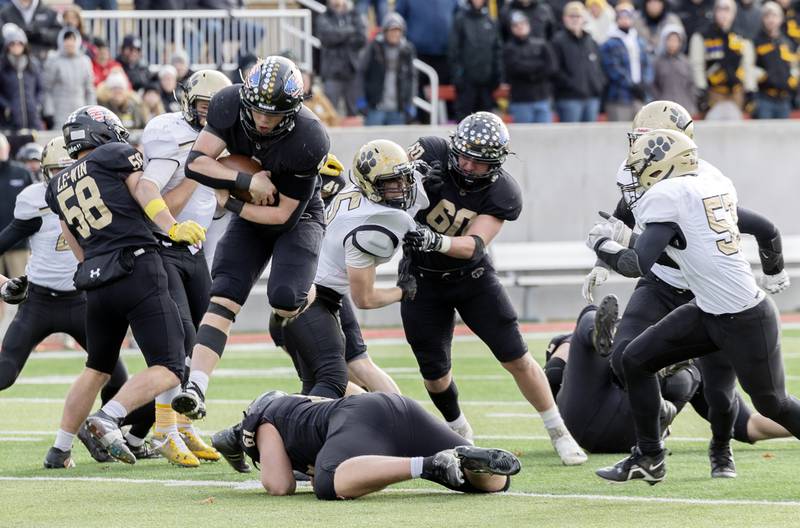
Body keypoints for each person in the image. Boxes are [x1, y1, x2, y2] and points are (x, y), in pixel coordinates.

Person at [589, 128, 800, 484]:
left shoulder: (671, 196)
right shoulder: (703, 184)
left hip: (746, 318)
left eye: (643, 170)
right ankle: (650, 456)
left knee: (772, 404)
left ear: (664, 167)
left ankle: (701, 449)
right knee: (635, 360)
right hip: (709, 309)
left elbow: (636, 264)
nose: (638, 182)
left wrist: (602, 246)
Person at [402, 112, 586, 465]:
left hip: (472, 280)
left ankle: (559, 432)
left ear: (496, 165)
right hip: (422, 280)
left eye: (479, 162)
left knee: (516, 356)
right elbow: (388, 193)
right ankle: (460, 431)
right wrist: (414, 183)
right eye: (465, 157)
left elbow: (474, 244)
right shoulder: (430, 151)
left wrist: (434, 240)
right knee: (434, 372)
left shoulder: (503, 192)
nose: (468, 167)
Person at [42, 105, 205, 468]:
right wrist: (172, 225)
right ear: (102, 133)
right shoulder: (115, 155)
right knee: (171, 366)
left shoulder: (57, 184)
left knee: (97, 367)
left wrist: (97, 268)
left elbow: (74, 243)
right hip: (137, 267)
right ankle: (108, 417)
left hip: (96, 281)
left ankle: (59, 449)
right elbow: (143, 192)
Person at [171, 56, 330, 421]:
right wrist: (245, 183)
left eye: (272, 114)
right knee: (223, 294)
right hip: (249, 207)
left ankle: (318, 304)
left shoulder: (310, 137)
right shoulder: (228, 102)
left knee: (286, 299)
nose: (261, 119)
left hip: (297, 216)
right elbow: (195, 162)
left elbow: (283, 215)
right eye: (256, 109)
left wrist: (232, 203)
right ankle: (196, 387)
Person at [0, 136, 155, 464]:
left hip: (82, 301)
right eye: (56, 172)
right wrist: (3, 283)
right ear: (44, 173)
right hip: (39, 302)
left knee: (118, 381)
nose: (62, 180)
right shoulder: (33, 200)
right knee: (5, 373)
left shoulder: (104, 193)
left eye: (68, 171)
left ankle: (98, 435)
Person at [272, 140, 424, 399]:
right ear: (371, 185)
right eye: (392, 182)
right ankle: (405, 422)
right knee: (342, 377)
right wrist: (402, 291)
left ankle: (391, 422)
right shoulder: (370, 228)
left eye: (403, 179)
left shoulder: (354, 192)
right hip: (316, 304)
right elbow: (364, 298)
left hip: (302, 304)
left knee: (330, 384)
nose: (401, 188)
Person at [545, 296, 792, 453]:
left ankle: (615, 347)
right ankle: (661, 386)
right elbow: (750, 427)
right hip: (631, 434)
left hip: (580, 422)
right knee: (687, 374)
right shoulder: (707, 357)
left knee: (589, 314)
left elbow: (553, 375)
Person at [138, 70, 232, 466]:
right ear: (188, 102)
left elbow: (218, 205)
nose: (209, 116)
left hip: (194, 251)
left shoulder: (224, 136)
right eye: (204, 107)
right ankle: (165, 429)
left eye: (217, 109)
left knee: (199, 343)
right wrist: (199, 166)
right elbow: (154, 199)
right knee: (176, 343)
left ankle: (181, 422)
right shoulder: (169, 132)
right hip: (162, 246)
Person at [212, 390, 521, 499]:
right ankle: (468, 459)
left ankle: (428, 465)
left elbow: (279, 486)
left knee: (328, 482)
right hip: (392, 407)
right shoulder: (301, 407)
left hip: (361, 420)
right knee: (493, 484)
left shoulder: (264, 419)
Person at [689, 0, 757, 119]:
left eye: (727, 10)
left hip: (737, 93)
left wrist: (750, 89)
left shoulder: (743, 37)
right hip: (713, 92)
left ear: (734, 13)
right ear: (715, 12)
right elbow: (697, 65)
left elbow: (748, 66)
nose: (723, 14)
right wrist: (701, 89)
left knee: (737, 131)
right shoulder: (702, 35)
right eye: (720, 9)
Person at [551, 1, 606, 122]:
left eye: (578, 16)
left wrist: (598, 85)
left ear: (584, 18)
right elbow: (554, 70)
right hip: (569, 99)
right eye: (571, 16)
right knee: (571, 138)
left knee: (591, 137)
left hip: (592, 97)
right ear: (564, 18)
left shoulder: (590, 40)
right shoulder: (558, 41)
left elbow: (599, 67)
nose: (575, 19)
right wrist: (572, 85)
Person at [448, 0, 503, 120]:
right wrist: (459, 76)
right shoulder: (461, 19)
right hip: (466, 83)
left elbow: (497, 50)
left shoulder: (490, 20)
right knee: (464, 119)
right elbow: (454, 50)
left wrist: (496, 76)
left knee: (486, 120)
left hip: (486, 83)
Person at [360, 13, 417, 126]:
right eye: (391, 30)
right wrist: (361, 99)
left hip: (397, 109)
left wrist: (410, 103)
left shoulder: (407, 50)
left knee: (396, 143)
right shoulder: (374, 47)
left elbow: (412, 78)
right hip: (375, 107)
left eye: (397, 30)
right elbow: (361, 73)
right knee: (373, 142)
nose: (394, 34)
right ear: (385, 31)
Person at [601, 3, 653, 122]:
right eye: (621, 18)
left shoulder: (639, 41)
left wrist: (644, 83)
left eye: (627, 17)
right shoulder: (610, 43)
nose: (625, 21)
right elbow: (613, 69)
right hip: (619, 96)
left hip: (640, 95)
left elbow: (647, 64)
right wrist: (631, 85)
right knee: (621, 132)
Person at [502, 11, 557, 124]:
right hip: (521, 100)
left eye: (522, 24)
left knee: (545, 135)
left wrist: (530, 69)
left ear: (528, 25)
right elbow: (514, 69)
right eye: (516, 25)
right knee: (524, 137)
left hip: (543, 97)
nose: (520, 27)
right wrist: (538, 66)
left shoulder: (541, 44)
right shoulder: (509, 48)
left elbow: (552, 66)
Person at [316, 0, 366, 117]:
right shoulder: (323, 17)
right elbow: (327, 37)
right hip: (332, 73)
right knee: (330, 112)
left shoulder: (354, 15)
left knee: (353, 113)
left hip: (351, 70)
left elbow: (361, 38)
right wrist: (349, 31)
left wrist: (339, 35)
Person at [42, 27, 96, 130]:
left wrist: (92, 110)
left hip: (80, 110)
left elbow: (90, 89)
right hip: (59, 111)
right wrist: (48, 112)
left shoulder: (85, 61)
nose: (69, 43)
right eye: (66, 39)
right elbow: (47, 89)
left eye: (72, 39)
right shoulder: (53, 61)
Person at [752, 1, 798, 119]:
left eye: (775, 16)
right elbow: (749, 67)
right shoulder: (756, 41)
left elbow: (794, 67)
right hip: (764, 98)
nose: (771, 20)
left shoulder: (788, 42)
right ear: (762, 19)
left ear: (781, 19)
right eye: (767, 16)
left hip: (784, 100)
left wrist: (793, 80)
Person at [0, 24, 43, 131]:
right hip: (9, 122)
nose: (16, 46)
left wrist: (36, 105)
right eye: (12, 43)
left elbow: (41, 89)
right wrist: (7, 107)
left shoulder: (33, 65)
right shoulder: (2, 66)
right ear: (7, 46)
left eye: (20, 43)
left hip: (33, 120)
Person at [652, 25, 697, 114]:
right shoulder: (657, 62)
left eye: (676, 41)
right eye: (670, 40)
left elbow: (691, 85)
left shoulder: (685, 62)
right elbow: (653, 86)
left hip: (684, 107)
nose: (673, 44)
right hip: (663, 108)